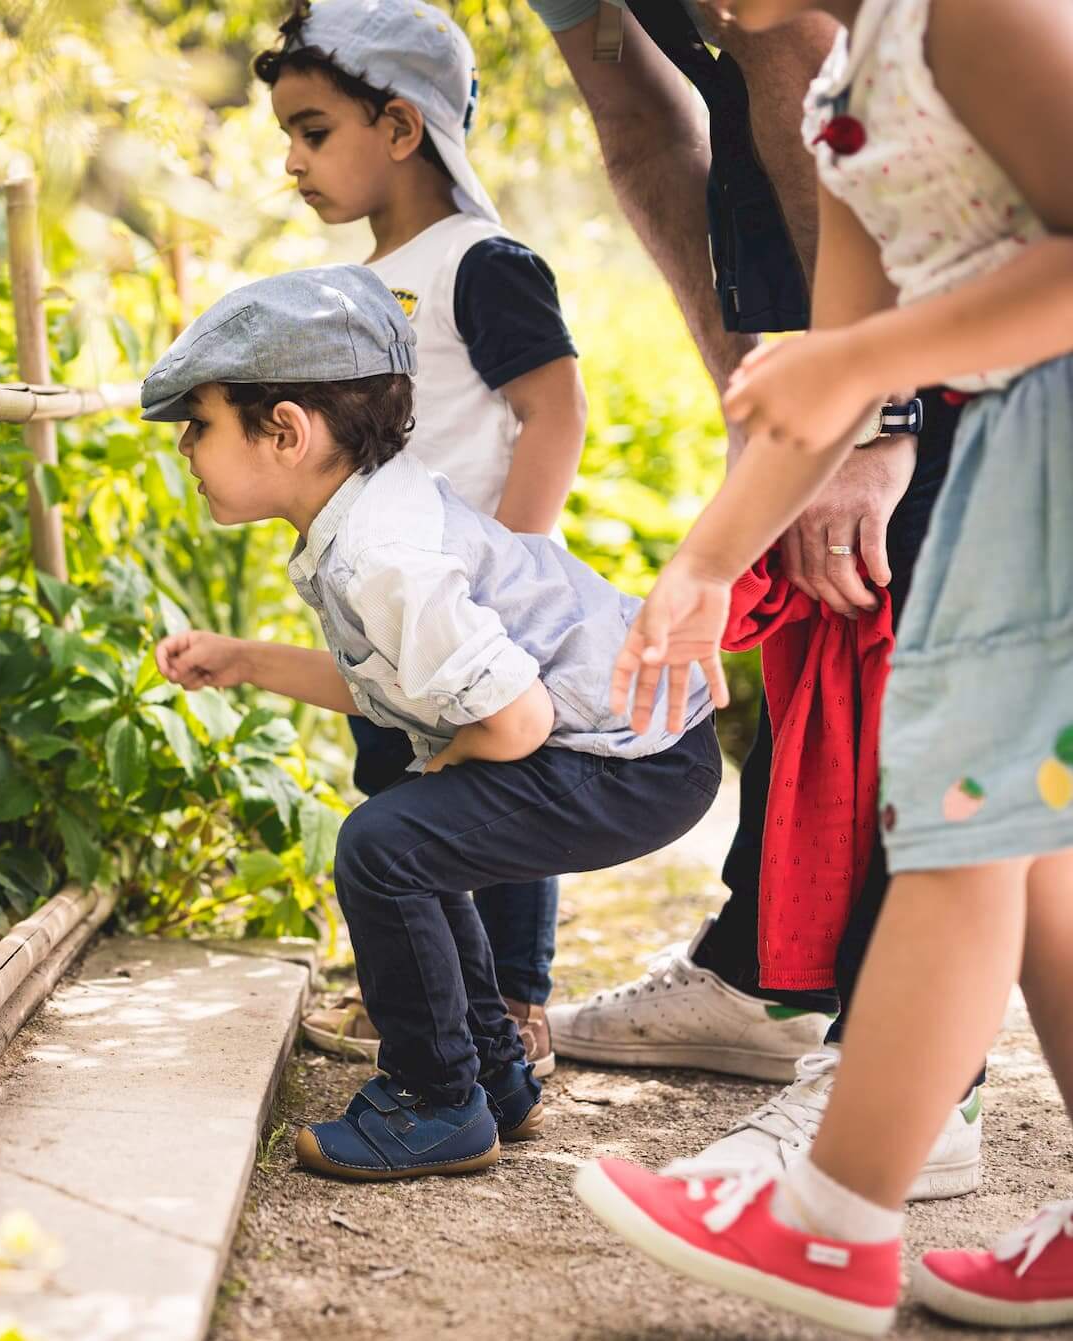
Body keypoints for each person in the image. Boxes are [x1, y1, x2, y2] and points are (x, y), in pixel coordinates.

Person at [576, 0, 1073, 1329]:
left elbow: (879, 347)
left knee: (965, 821)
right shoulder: (846, 93)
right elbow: (834, 381)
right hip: (1015, 457)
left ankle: (830, 1219)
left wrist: (870, 355)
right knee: (1028, 850)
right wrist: (702, 567)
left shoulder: (972, 17)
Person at [519, 0, 984, 1199]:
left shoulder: (983, 47)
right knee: (1010, 843)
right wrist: (718, 549)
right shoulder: (838, 104)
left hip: (1014, 418)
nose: (705, 19)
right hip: (950, 366)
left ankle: (903, 1096)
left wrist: (887, 415)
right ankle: (799, 1020)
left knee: (975, 778)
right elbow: (841, 337)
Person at [142, 264, 721, 1179]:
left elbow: (519, 718)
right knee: (413, 836)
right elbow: (400, 684)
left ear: (285, 431)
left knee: (386, 844)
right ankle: (490, 1077)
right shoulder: (369, 514)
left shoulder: (384, 552)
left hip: (633, 754)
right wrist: (246, 659)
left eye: (199, 425)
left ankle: (435, 1098)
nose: (185, 448)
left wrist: (445, 768)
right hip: (638, 738)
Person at [249, 0, 589, 1074]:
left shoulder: (482, 262)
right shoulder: (358, 285)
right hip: (394, 603)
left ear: (400, 125)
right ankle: (431, 995)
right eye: (288, 137)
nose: (293, 163)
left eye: (313, 131)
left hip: (473, 599)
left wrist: (513, 565)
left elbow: (556, 410)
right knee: (400, 796)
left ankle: (515, 1004)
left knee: (502, 802)